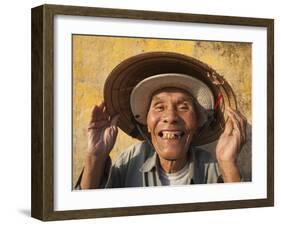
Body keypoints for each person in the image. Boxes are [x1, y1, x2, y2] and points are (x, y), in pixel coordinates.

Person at [78, 71, 247, 189]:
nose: (171, 117)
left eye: (183, 107)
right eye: (159, 107)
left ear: (196, 124)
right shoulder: (129, 161)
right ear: (147, 124)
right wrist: (95, 156)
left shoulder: (214, 169)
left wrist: (227, 162)